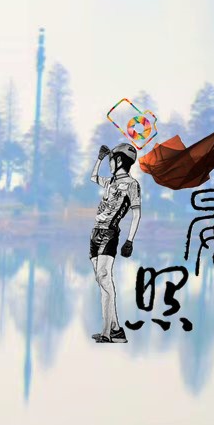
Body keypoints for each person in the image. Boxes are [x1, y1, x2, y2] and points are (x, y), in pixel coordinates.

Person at [88, 143, 142, 343]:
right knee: (102, 281)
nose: (109, 164)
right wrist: (99, 158)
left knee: (104, 277)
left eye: (111, 160)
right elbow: (93, 177)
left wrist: (130, 240)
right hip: (95, 232)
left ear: (119, 161)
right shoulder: (110, 181)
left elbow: (137, 213)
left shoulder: (132, 184)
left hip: (110, 234)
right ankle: (116, 330)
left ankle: (106, 333)